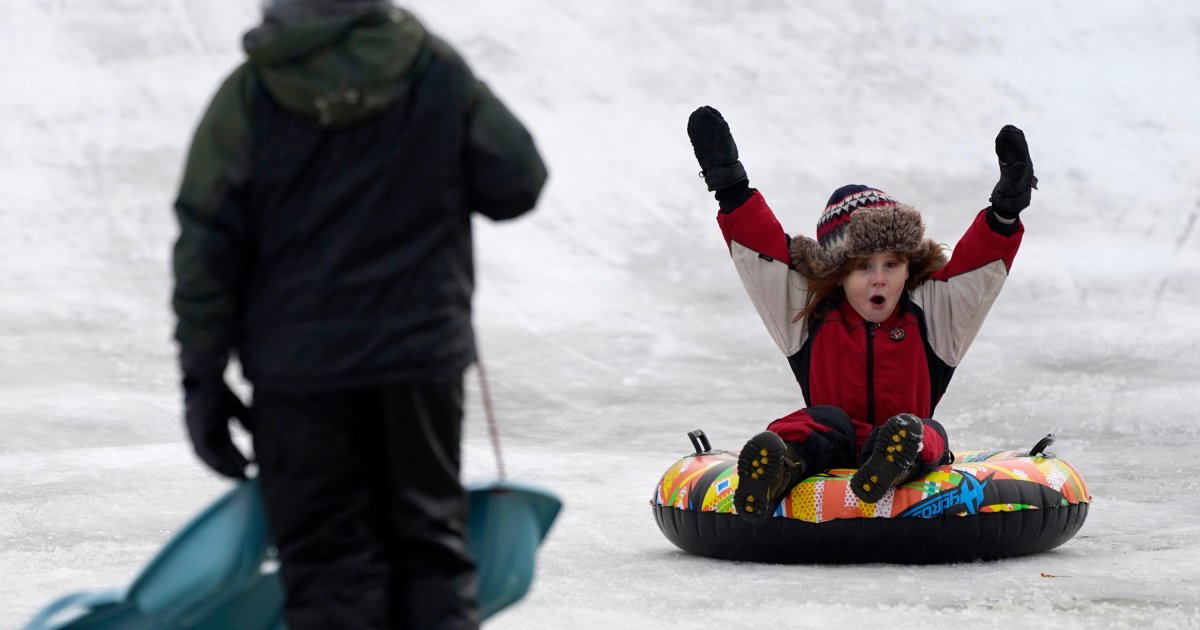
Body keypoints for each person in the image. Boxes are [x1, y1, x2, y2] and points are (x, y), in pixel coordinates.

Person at [171, 1, 547, 627]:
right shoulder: (431, 69)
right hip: (418, 361)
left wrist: (202, 376)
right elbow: (516, 180)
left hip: (300, 374)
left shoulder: (250, 92)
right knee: (431, 555)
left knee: (327, 568)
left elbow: (206, 240)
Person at [686, 106, 1035, 521]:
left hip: (902, 442)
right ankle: (776, 470)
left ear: (909, 267)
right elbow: (764, 257)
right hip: (830, 444)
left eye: (891, 265)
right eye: (863, 267)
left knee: (926, 432)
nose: (879, 280)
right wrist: (729, 185)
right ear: (838, 273)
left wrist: (1005, 212)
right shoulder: (810, 314)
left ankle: (894, 461)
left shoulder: (933, 315)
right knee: (820, 421)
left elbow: (976, 270)